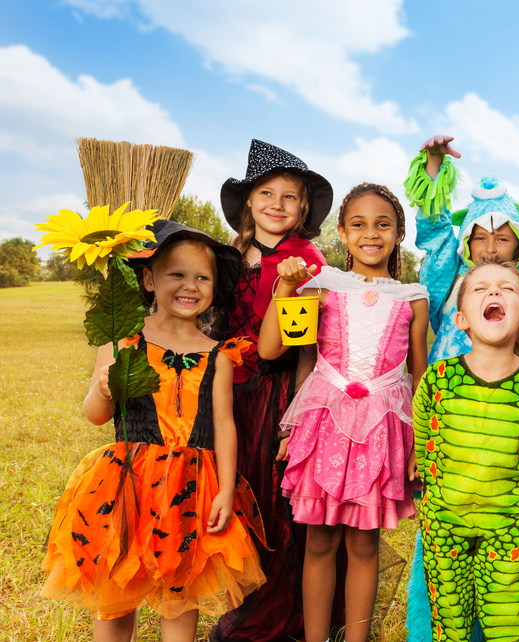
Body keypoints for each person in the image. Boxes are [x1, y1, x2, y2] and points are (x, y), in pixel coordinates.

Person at [404, 133, 519, 641]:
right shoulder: (453, 289)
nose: (491, 248)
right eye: (481, 238)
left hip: (504, 472)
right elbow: (435, 234)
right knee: (440, 573)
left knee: (503, 582)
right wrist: (435, 170)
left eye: (503, 238)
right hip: (450, 469)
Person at [41, 220, 266, 641]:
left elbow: (224, 425)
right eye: (176, 274)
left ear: (215, 287)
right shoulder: (123, 340)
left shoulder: (217, 355)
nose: (190, 285)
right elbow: (94, 415)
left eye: (202, 277)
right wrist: (106, 387)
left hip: (191, 489)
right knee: (116, 586)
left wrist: (225, 489)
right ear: (148, 278)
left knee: (181, 590)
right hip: (126, 484)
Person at [258, 183, 429, 642]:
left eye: (382, 225)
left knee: (364, 542)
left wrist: (419, 443)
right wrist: (287, 287)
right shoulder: (320, 285)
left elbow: (418, 377)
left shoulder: (413, 297)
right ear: (341, 231)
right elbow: (275, 347)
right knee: (319, 541)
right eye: (358, 224)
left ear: (398, 234)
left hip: (382, 430)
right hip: (323, 424)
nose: (370, 234)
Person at [413, 257, 519, 642]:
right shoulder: (438, 380)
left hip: (509, 530)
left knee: (506, 623)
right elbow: (423, 438)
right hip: (443, 526)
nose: (494, 292)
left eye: (507, 288)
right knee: (449, 625)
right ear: (461, 319)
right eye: (479, 287)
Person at [211, 139, 333, 641]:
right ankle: (237, 598)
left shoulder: (305, 262)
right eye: (266, 193)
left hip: (275, 393)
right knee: (230, 498)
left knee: (272, 503)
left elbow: (302, 347)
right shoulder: (229, 255)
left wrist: (295, 414)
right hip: (226, 392)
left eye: (289, 196)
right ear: (248, 202)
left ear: (303, 208)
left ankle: (277, 615)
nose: (276, 204)